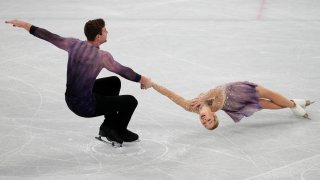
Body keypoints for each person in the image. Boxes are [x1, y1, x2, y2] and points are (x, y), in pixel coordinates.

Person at [5, 19, 152, 146]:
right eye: (105, 30)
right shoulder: (102, 56)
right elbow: (123, 70)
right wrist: (143, 79)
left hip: (70, 99)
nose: (107, 32)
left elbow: (49, 36)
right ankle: (119, 130)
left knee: (113, 82)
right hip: (85, 106)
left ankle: (109, 127)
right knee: (131, 101)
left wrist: (24, 24)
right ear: (98, 36)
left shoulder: (73, 44)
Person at [151, 81, 313, 130]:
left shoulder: (190, 106)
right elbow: (218, 91)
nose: (204, 121)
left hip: (235, 89)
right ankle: (294, 104)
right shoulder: (215, 106)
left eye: (204, 123)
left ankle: (295, 105)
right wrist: (204, 98)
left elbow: (169, 94)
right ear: (214, 116)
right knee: (265, 104)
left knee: (267, 94)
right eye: (209, 121)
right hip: (234, 98)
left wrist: (151, 84)